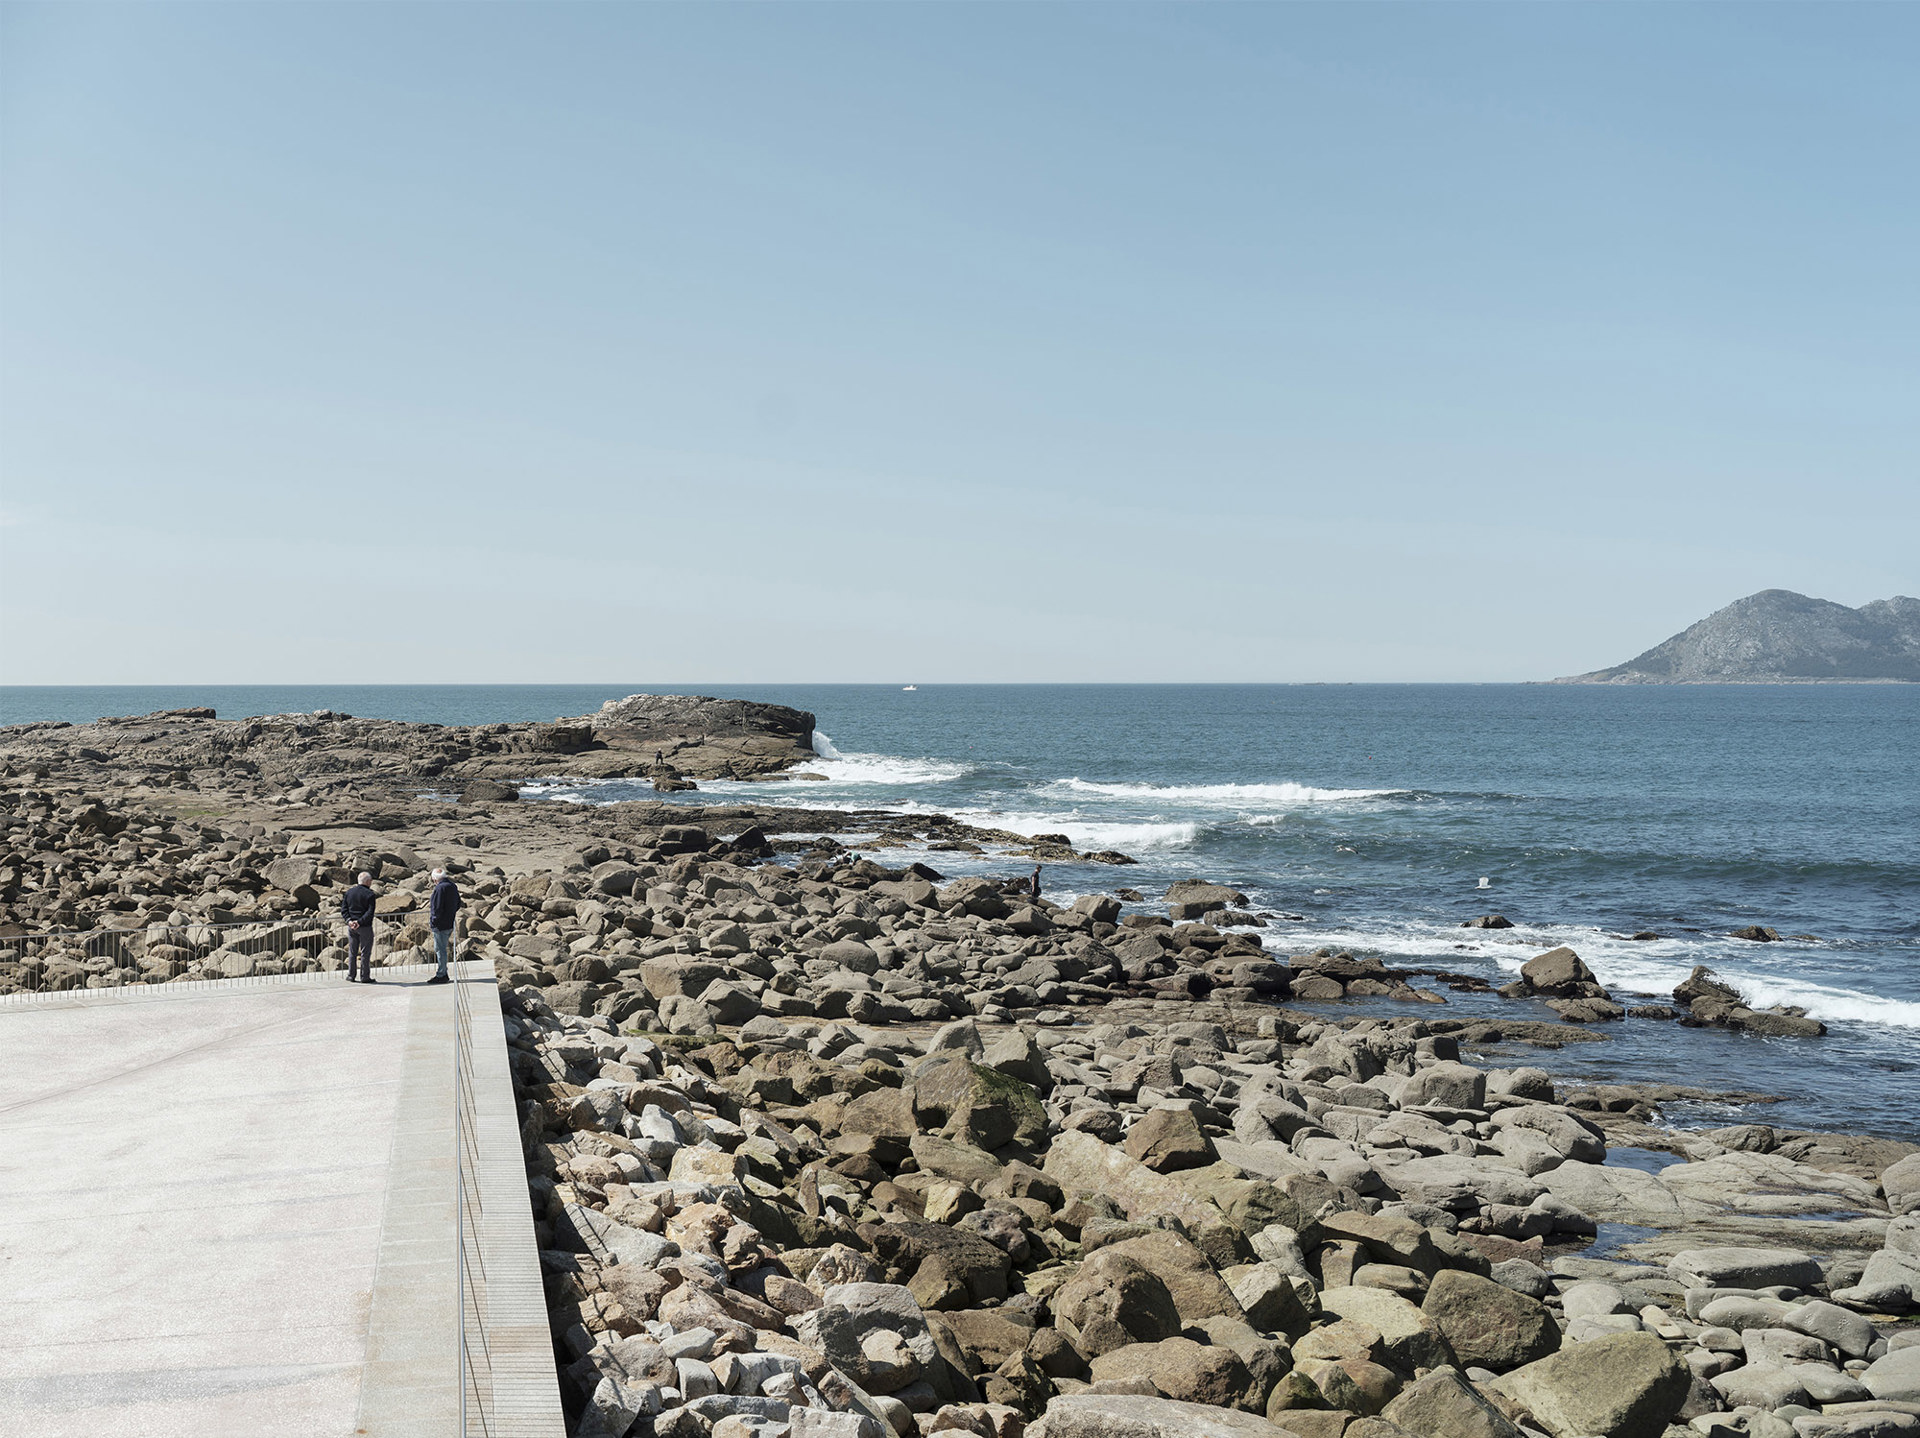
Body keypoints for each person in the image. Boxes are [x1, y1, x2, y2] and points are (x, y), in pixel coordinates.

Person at [426, 867, 461, 985]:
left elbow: (437, 907)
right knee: (442, 949)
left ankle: (442, 974)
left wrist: (433, 921)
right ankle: (442, 973)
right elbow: (458, 904)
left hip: (440, 925)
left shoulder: (440, 888)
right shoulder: (452, 886)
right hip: (449, 922)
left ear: (435, 879)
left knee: (440, 949)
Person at [342, 871, 377, 983]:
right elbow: (370, 912)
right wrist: (360, 922)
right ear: (367, 881)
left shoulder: (349, 892)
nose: (371, 883)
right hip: (365, 926)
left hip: (351, 926)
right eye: (370, 881)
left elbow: (344, 910)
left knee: (352, 952)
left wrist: (349, 921)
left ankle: (351, 975)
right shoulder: (370, 894)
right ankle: (364, 976)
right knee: (365, 953)